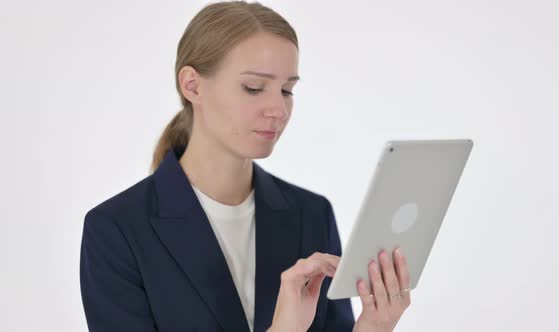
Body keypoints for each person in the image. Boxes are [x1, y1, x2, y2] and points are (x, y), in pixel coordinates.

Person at [79, 1, 411, 331]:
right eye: (254, 88)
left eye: (286, 90)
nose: (278, 109)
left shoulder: (312, 215)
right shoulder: (116, 230)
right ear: (192, 85)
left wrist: (373, 328)